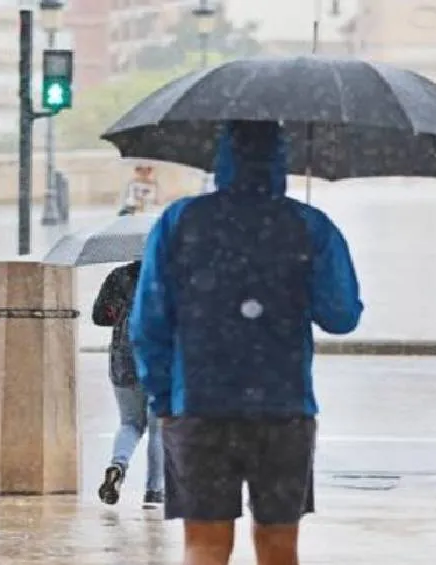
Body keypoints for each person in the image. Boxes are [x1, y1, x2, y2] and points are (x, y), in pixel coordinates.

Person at [130, 120, 363, 565]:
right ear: (281, 160)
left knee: (204, 545)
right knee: (278, 547)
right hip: (284, 408)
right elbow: (341, 316)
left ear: (221, 158)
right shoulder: (309, 225)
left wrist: (165, 399)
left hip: (198, 405)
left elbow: (148, 322)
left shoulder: (180, 221)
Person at [93, 260, 164, 509]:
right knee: (159, 429)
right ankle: (154, 492)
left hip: (124, 359)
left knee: (130, 424)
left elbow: (99, 316)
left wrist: (120, 310)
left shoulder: (119, 275)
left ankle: (118, 465)